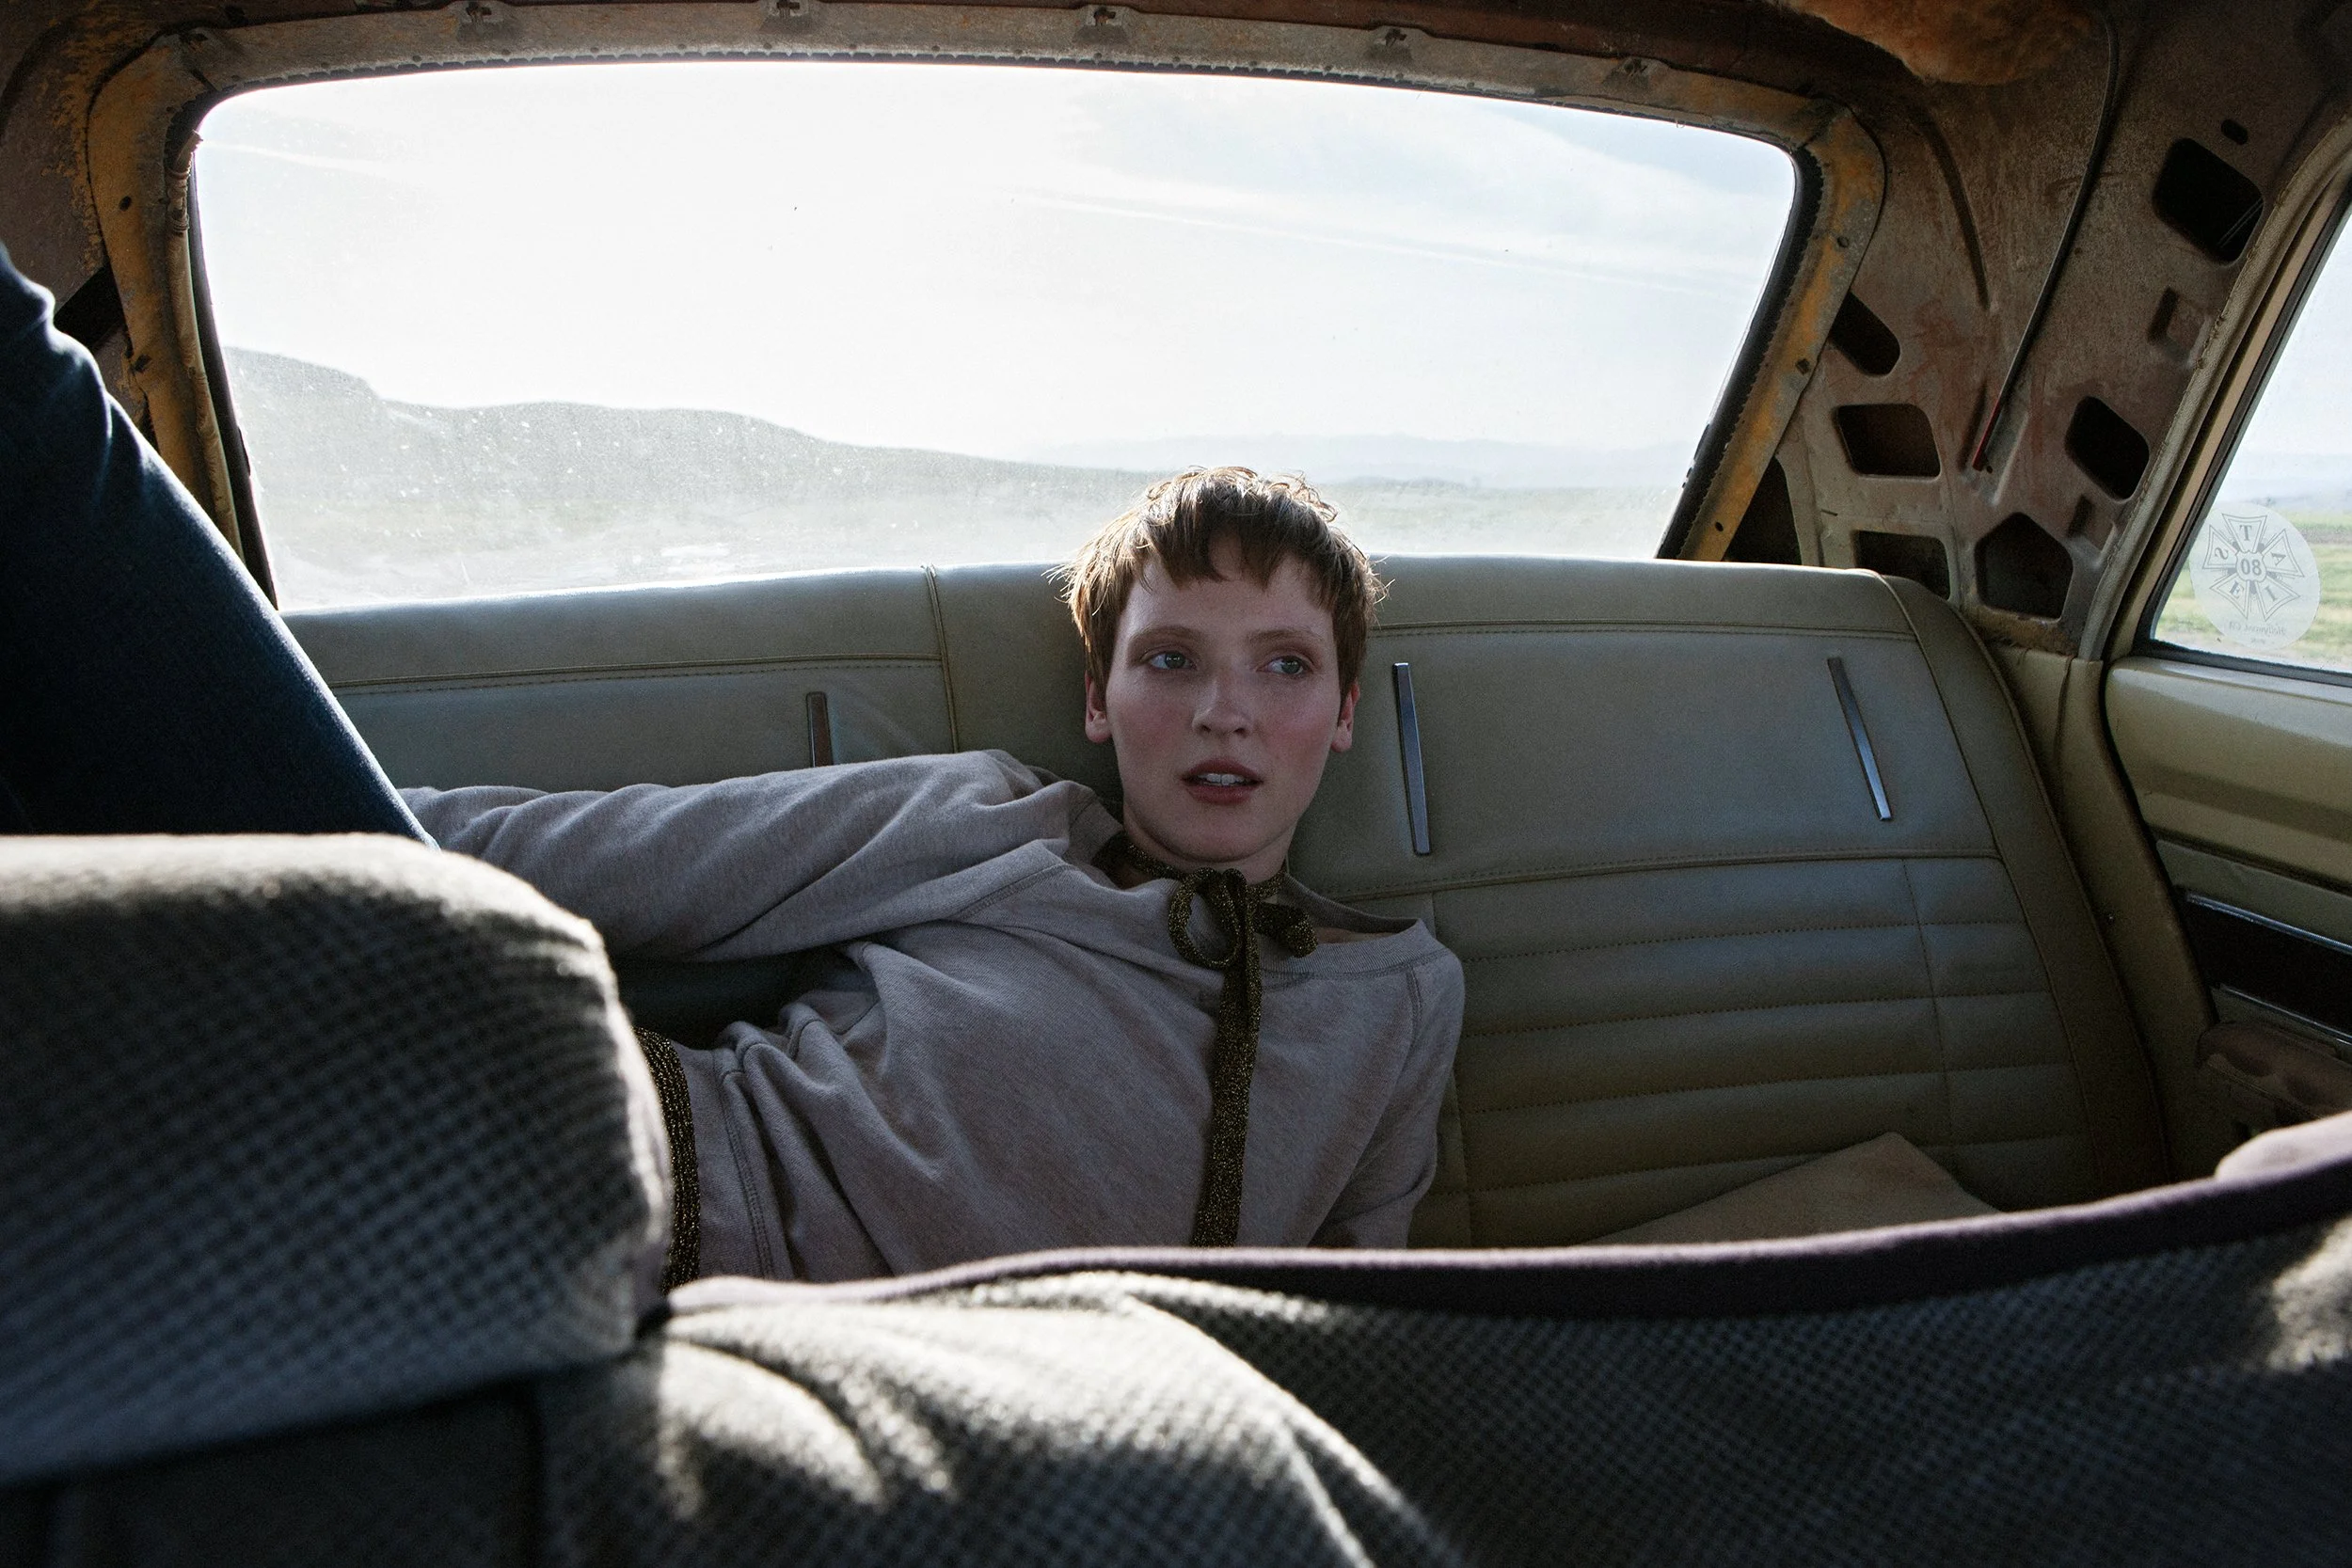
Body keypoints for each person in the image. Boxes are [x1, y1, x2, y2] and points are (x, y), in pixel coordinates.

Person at [409, 469, 1466, 1283]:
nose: (1222, 709)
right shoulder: (993, 820)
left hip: (920, 1413)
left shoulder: (1399, 998)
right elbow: (577, 853)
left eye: (1283, 664)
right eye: (1170, 658)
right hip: (629, 1177)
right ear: (1098, 697)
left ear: (1342, 713)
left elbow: (1352, 1313)